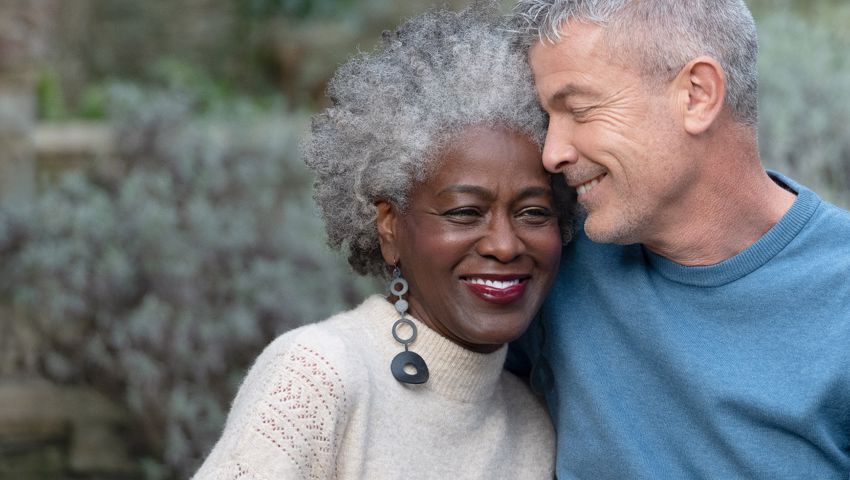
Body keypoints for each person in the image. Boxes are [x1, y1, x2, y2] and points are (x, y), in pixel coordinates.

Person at [193, 5, 574, 479]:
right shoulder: (319, 375)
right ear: (389, 228)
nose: (503, 244)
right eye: (464, 213)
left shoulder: (534, 428)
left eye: (533, 213)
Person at [507, 0, 850, 478]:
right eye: (548, 120)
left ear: (696, 95)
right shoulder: (551, 260)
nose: (552, 154)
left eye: (579, 110)